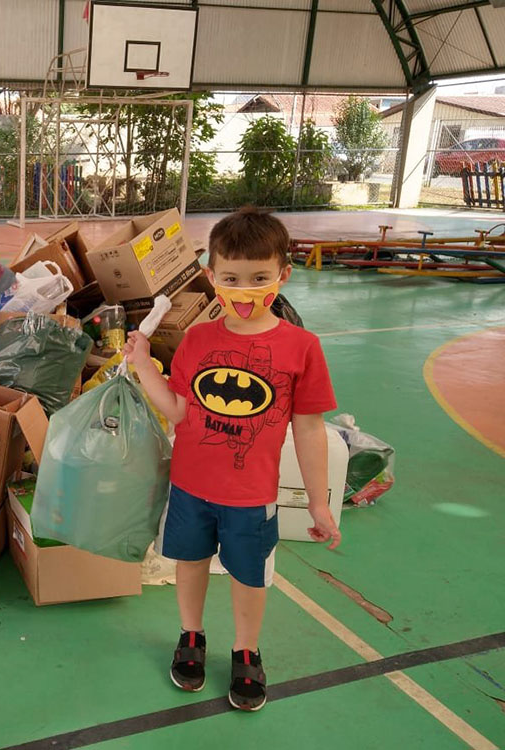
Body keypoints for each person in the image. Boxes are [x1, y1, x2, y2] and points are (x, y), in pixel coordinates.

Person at [124, 206, 341, 713]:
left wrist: (318, 503)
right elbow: (179, 408)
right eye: (232, 279)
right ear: (211, 277)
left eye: (259, 278)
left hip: (252, 495)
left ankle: (246, 649)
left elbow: (309, 430)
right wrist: (141, 364)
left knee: (249, 575)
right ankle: (192, 636)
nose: (244, 290)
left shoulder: (301, 347)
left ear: (283, 275)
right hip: (191, 487)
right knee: (191, 562)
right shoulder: (197, 340)